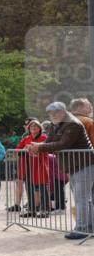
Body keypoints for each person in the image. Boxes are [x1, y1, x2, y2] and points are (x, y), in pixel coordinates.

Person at [27, 102, 94, 238]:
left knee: (82, 199)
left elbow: (63, 144)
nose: (53, 115)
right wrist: (35, 147)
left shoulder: (73, 124)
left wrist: (39, 148)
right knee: (83, 198)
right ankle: (89, 227)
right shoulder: (56, 123)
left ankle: (82, 229)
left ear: (63, 112)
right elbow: (49, 141)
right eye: (50, 113)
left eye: (55, 112)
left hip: (85, 164)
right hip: (75, 165)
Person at [16, 119, 49, 218]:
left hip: (40, 165)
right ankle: (31, 209)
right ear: (29, 129)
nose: (33, 128)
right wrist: (24, 149)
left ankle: (44, 210)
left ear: (40, 128)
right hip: (29, 166)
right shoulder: (26, 138)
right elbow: (17, 148)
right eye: (31, 127)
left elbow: (46, 147)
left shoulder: (44, 137)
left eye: (36, 127)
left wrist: (35, 148)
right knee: (29, 187)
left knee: (43, 187)